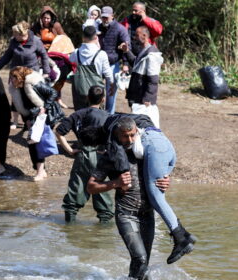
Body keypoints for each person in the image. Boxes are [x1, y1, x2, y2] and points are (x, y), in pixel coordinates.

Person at [82, 115, 196, 278]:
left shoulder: (146, 152)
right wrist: (115, 183)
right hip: (126, 215)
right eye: (124, 136)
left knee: (143, 264)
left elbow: (159, 170)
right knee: (140, 259)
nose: (129, 139)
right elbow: (91, 187)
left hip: (147, 216)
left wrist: (165, 178)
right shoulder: (110, 156)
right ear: (116, 135)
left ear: (137, 132)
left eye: (132, 135)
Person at [55, 85, 113, 223]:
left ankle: (70, 226)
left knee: (73, 198)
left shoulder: (78, 114)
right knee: (103, 201)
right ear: (103, 99)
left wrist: (69, 150)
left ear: (87, 98)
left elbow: (59, 132)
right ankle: (102, 234)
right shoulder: (109, 117)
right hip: (100, 157)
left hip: (82, 155)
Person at [0, 21, 51, 129]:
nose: (14, 36)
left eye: (16, 34)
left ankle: (32, 120)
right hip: (16, 74)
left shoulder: (35, 41)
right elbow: (7, 56)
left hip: (31, 75)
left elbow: (44, 55)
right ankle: (15, 121)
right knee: (16, 98)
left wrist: (46, 72)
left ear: (23, 34)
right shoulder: (13, 42)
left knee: (30, 98)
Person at [9, 66, 58, 180]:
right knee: (33, 143)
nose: (11, 80)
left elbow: (53, 93)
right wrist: (27, 122)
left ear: (19, 77)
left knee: (35, 144)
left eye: (13, 77)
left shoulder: (34, 83)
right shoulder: (17, 89)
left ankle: (40, 172)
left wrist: (44, 107)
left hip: (44, 116)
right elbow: (23, 108)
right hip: (32, 117)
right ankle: (41, 171)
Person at [121, 26, 163, 128]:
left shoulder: (152, 54)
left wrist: (148, 97)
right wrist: (126, 51)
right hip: (138, 94)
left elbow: (153, 79)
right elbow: (136, 63)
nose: (134, 37)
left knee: (145, 125)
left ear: (144, 36)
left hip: (143, 98)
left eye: (137, 35)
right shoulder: (144, 50)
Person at [69, 26, 114, 110]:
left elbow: (70, 63)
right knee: (96, 118)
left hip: (80, 92)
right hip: (96, 93)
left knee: (80, 117)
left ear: (83, 37)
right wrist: (111, 86)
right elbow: (108, 74)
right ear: (96, 37)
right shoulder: (101, 54)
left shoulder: (76, 52)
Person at [98, 6, 130, 114]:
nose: (105, 19)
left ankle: (109, 115)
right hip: (98, 64)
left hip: (113, 64)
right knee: (96, 89)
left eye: (107, 17)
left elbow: (126, 47)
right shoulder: (98, 27)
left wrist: (125, 64)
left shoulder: (120, 29)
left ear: (112, 16)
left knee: (111, 91)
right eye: (103, 17)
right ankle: (99, 113)